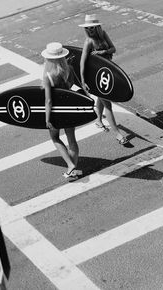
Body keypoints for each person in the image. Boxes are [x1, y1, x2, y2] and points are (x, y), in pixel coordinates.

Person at [79, 14, 128, 145]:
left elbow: (113, 49)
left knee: (102, 98)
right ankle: (117, 133)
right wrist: (83, 80)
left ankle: (99, 120)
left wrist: (102, 52)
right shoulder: (88, 42)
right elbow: (82, 62)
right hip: (95, 77)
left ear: (97, 27)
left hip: (106, 73)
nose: (90, 30)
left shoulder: (103, 35)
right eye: (87, 28)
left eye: (92, 27)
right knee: (108, 104)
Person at [41, 42, 79, 178]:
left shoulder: (48, 76)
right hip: (69, 109)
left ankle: (70, 165)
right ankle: (72, 172)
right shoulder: (69, 69)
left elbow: (48, 101)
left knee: (55, 137)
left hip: (57, 113)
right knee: (72, 140)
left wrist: (47, 118)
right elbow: (74, 87)